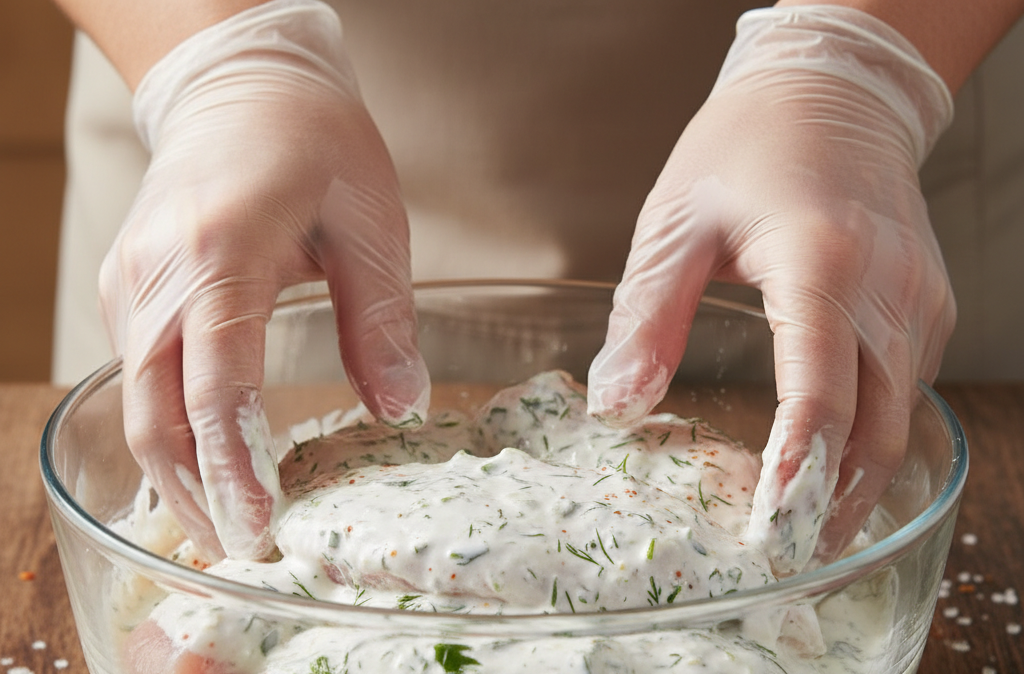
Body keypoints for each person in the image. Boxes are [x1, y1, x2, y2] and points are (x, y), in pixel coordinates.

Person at [51, 0, 1024, 569]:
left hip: (855, 165)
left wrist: (861, 68)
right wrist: (219, 65)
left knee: (853, 484)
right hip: (222, 153)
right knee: (210, 511)